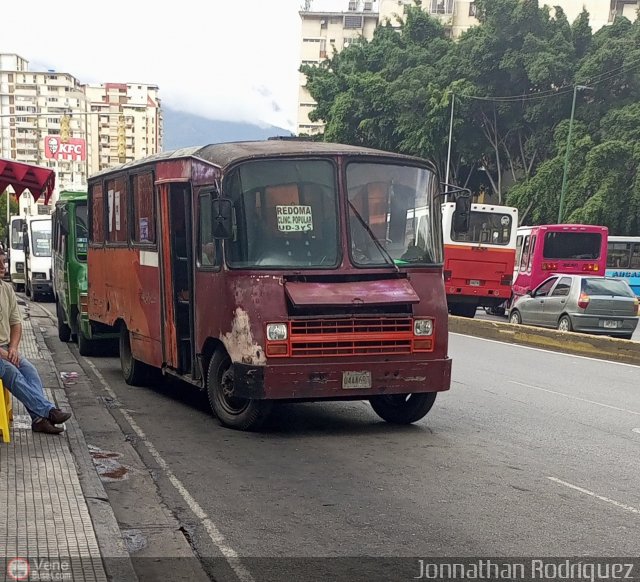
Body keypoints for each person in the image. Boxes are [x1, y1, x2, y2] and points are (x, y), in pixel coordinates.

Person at [0, 250, 71, 434]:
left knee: (29, 370)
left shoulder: (6, 289)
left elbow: (16, 323)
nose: (3, 267)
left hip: (6, 348)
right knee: (11, 372)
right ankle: (48, 411)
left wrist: (13, 347)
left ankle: (39, 419)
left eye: (3, 263)